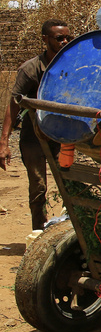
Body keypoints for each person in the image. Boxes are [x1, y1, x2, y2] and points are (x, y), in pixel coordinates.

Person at [0, 19, 72, 237]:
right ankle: (38, 235)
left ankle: (72, 235)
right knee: (38, 188)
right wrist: (3, 143)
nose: (65, 41)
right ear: (45, 39)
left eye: (68, 38)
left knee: (70, 185)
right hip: (34, 137)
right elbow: (13, 105)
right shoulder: (31, 69)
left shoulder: (70, 66)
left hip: (62, 136)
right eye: (59, 38)